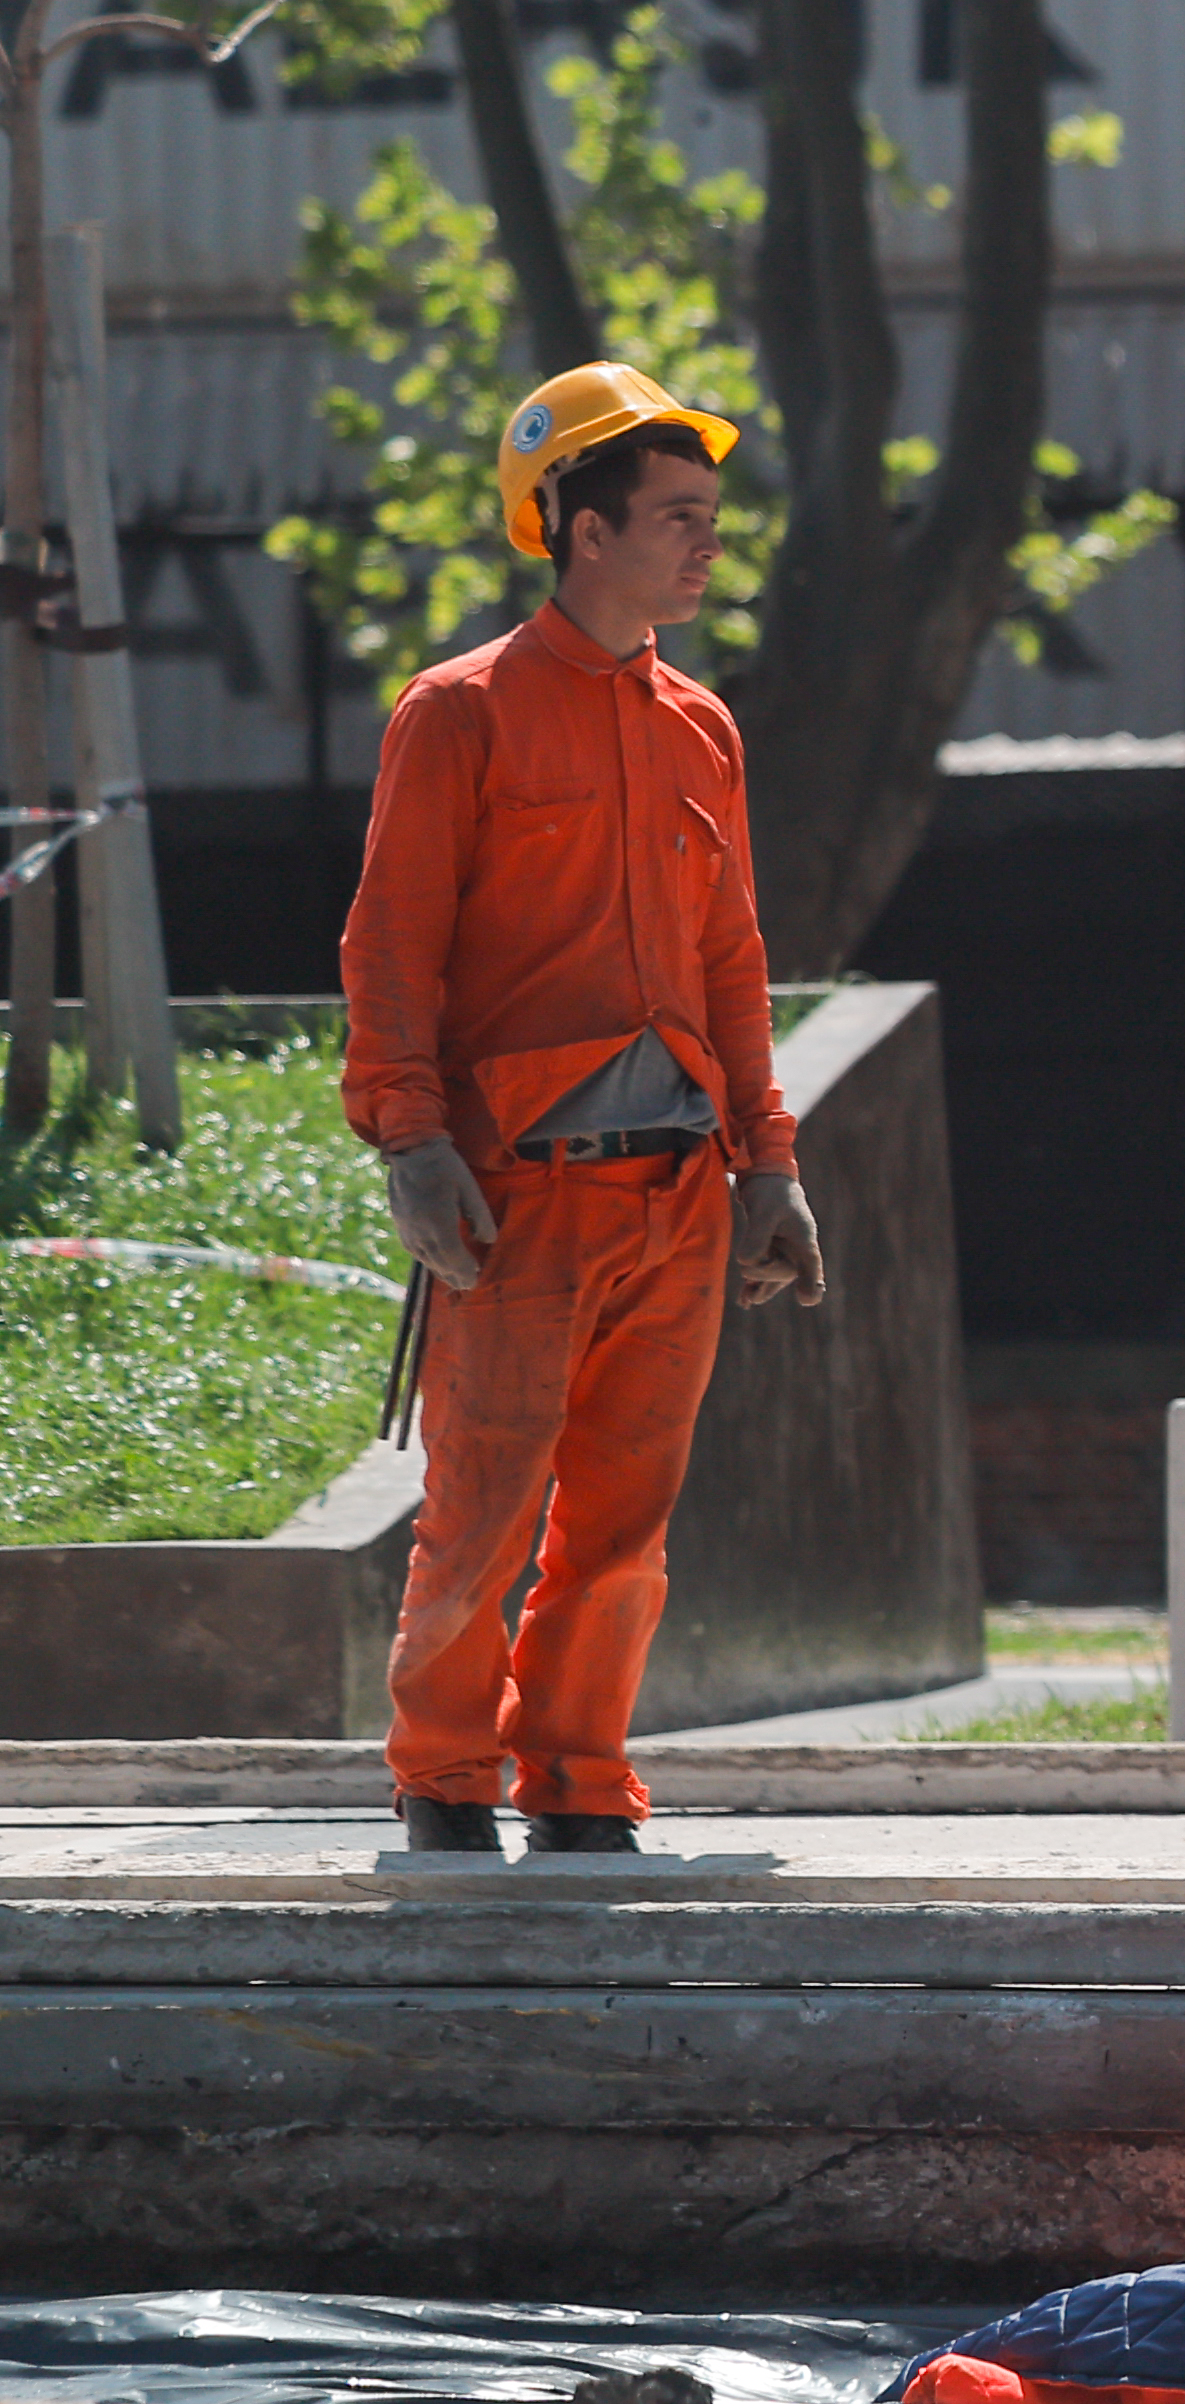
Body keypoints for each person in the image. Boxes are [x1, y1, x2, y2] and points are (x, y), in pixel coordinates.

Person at [339, 365, 831, 1859]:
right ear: (581, 528)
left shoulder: (701, 728)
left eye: (711, 520)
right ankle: (442, 1779)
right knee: (482, 1510)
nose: (708, 546)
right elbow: (391, 942)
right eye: (680, 518)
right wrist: (411, 1143)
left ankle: (576, 1781)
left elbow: (733, 953)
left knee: (622, 1528)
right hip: (518, 1189)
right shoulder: (460, 716)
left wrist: (771, 1165)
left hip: (675, 1196)